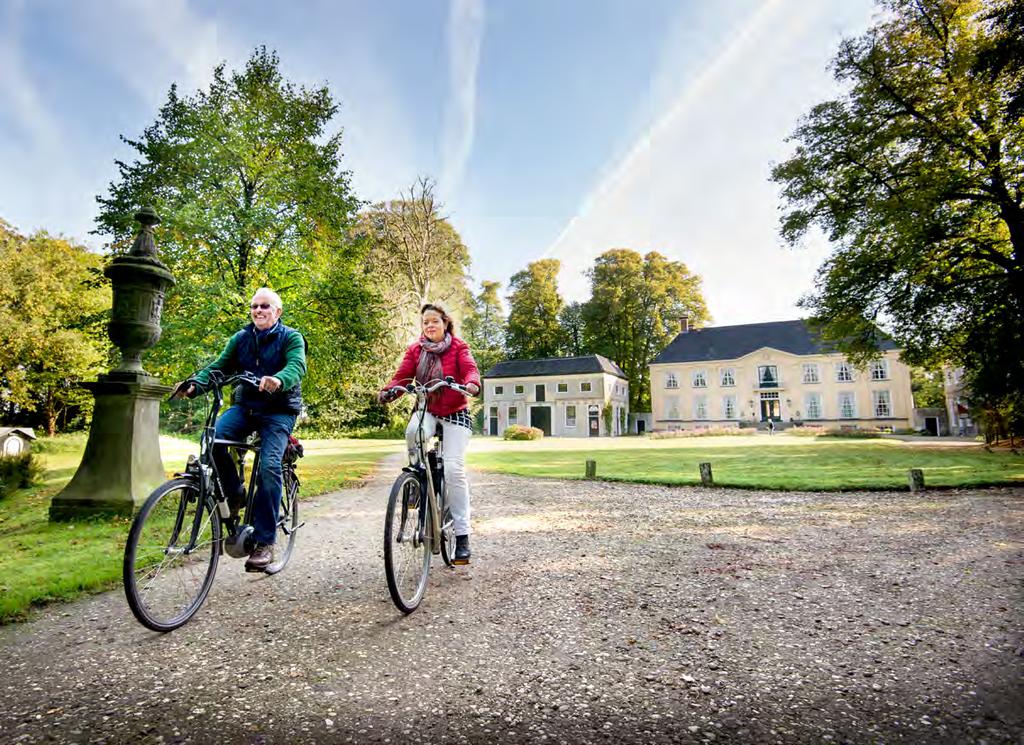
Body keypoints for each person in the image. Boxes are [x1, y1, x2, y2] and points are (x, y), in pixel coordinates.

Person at [174, 288, 307, 572]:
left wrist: (279, 379)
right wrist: (195, 385)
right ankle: (234, 493)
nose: (258, 311)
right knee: (212, 440)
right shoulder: (241, 339)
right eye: (254, 306)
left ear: (278, 312)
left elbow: (297, 366)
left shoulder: (291, 338)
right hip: (245, 407)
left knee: (269, 466)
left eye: (265, 307)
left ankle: (264, 542)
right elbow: (219, 368)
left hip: (278, 412)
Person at [379, 303, 480, 564]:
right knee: (413, 431)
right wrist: (390, 390)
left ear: (445, 323)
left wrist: (471, 383)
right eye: (425, 322)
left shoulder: (459, 347)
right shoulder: (416, 350)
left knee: (453, 468)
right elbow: (402, 376)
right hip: (427, 409)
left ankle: (462, 536)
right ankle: (416, 478)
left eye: (434, 321)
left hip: (455, 412)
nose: (430, 326)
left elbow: (469, 368)